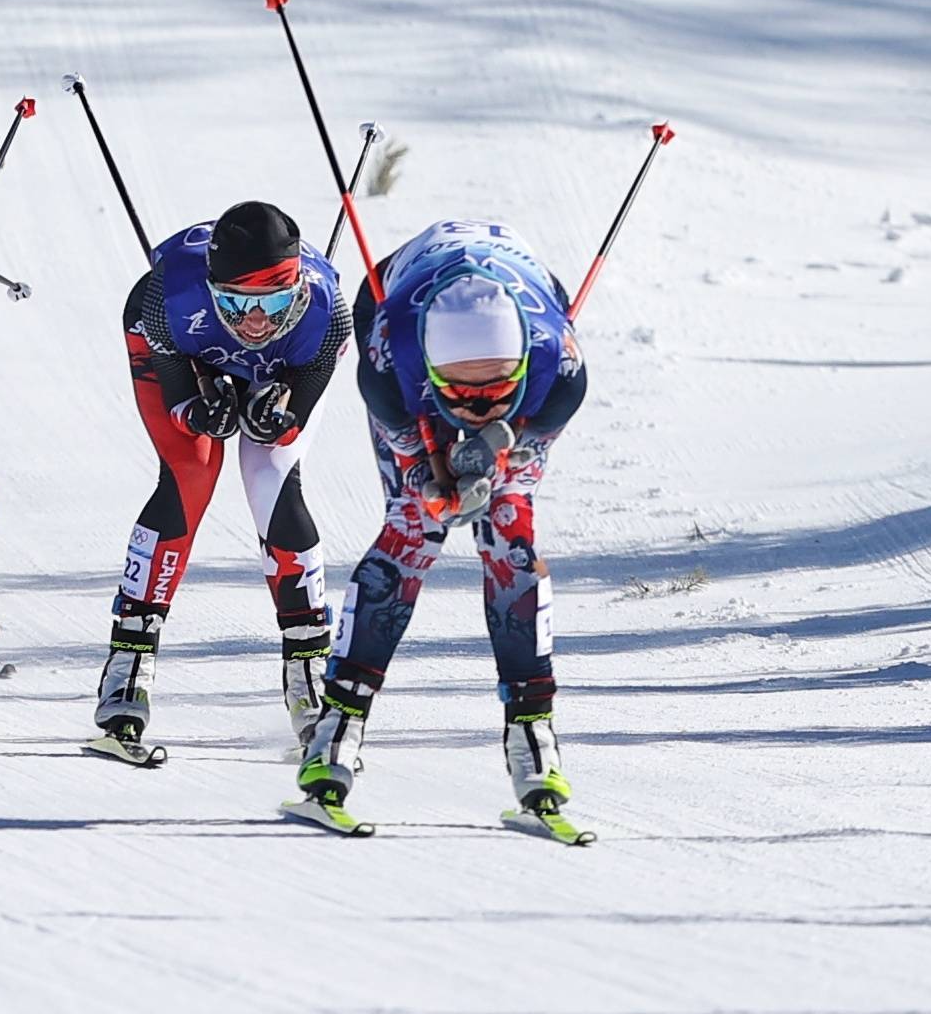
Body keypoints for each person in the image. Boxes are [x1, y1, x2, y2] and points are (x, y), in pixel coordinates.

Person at [299, 221, 587, 827]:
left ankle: (532, 733)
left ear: (524, 368)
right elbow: (422, 474)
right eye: (460, 394)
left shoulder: (560, 372)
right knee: (413, 527)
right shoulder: (386, 364)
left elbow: (514, 468)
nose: (477, 406)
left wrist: (495, 453)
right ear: (430, 374)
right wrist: (436, 483)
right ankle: (336, 728)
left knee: (508, 532)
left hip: (529, 295)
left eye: (494, 393)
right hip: (398, 291)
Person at [92, 199, 344, 764]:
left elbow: (306, 389)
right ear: (212, 288)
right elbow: (179, 395)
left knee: (273, 476)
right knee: (189, 472)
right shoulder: (164, 299)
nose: (256, 321)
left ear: (299, 288)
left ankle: (309, 671)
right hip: (182, 354)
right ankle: (129, 664)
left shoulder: (329, 310)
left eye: (275, 303)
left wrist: (282, 410)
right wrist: (198, 410)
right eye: (237, 303)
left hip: (283, 368)